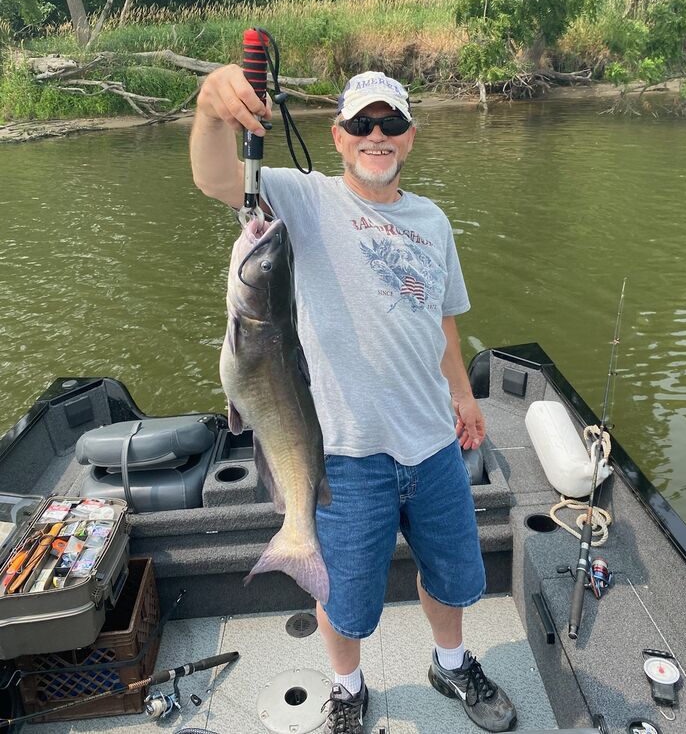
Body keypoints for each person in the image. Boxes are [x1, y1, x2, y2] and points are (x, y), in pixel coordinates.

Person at [190, 67, 517, 733]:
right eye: (361, 124)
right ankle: (346, 686)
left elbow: (444, 321)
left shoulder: (433, 220)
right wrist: (210, 108)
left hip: (432, 444)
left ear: (410, 136)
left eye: (390, 123)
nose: (376, 135)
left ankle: (451, 663)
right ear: (338, 137)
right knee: (342, 598)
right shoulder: (304, 201)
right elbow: (216, 178)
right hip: (343, 455)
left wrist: (463, 395)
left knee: (452, 577)